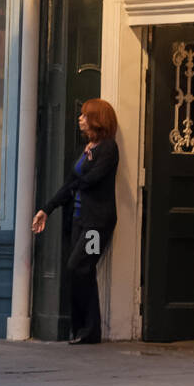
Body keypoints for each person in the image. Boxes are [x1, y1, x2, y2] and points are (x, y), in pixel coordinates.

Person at [32, 100, 119, 345]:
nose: (80, 119)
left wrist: (74, 183)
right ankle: (83, 330)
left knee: (78, 266)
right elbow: (69, 183)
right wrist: (46, 210)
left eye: (84, 115)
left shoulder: (108, 149)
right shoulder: (86, 149)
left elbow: (91, 179)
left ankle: (89, 329)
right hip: (80, 220)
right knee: (83, 270)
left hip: (96, 224)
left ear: (97, 119)